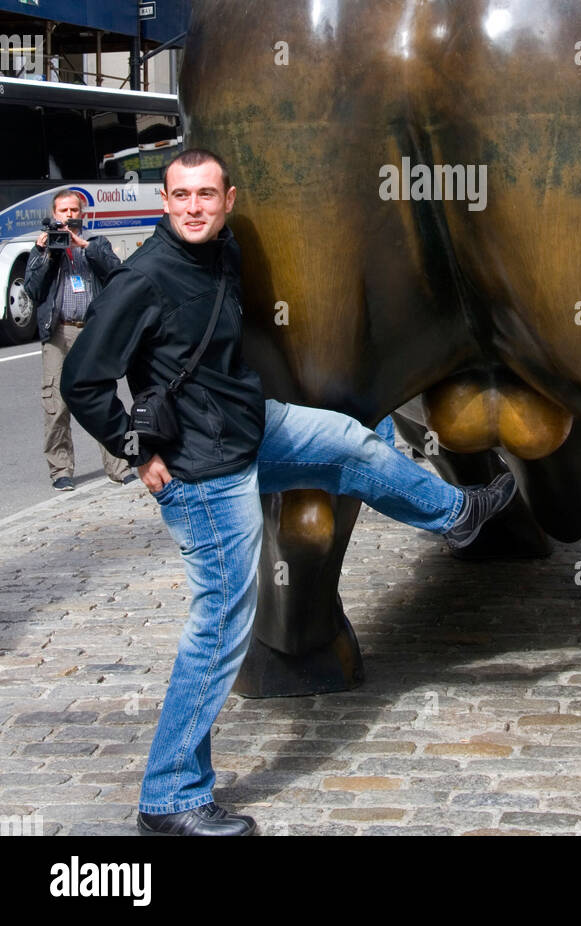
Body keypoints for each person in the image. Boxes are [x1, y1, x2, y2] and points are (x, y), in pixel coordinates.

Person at [60, 149, 516, 837]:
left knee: (352, 444)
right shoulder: (143, 279)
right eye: (181, 195)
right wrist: (134, 449)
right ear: (163, 201)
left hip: (251, 430)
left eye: (206, 195)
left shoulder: (222, 253)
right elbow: (82, 381)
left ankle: (455, 517)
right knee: (220, 623)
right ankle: (170, 794)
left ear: (228, 200)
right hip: (201, 471)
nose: (193, 207)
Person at [23, 187, 135, 491]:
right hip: (59, 332)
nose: (69, 216)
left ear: (82, 215)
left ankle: (120, 466)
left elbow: (120, 276)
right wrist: (45, 254)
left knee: (103, 398)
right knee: (55, 403)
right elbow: (32, 291)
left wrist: (87, 247)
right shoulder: (43, 249)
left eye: (74, 211)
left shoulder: (96, 244)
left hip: (92, 332)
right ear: (54, 215)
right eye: (64, 211)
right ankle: (60, 470)